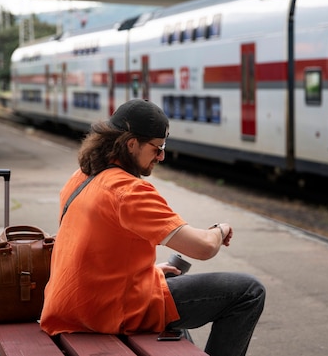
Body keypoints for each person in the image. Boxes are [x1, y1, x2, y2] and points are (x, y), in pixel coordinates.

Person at [40, 99, 265, 356]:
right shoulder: (129, 191)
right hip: (107, 312)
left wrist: (147, 271)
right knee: (249, 291)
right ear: (131, 143)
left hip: (69, 305)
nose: (162, 156)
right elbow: (203, 248)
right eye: (157, 148)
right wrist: (220, 230)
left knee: (169, 281)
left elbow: (92, 248)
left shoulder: (81, 176)